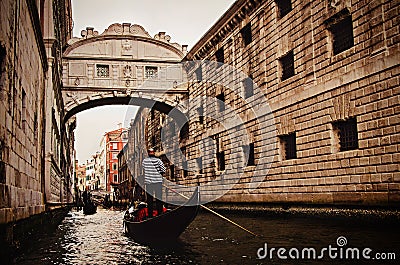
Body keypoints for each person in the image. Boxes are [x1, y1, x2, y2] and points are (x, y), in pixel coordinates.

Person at [142, 148, 166, 218]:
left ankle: (150, 215)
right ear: (154, 153)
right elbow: (163, 170)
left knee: (150, 200)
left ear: (148, 153)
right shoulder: (158, 161)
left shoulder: (145, 161)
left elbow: (144, 169)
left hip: (149, 182)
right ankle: (160, 214)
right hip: (158, 182)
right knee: (159, 198)